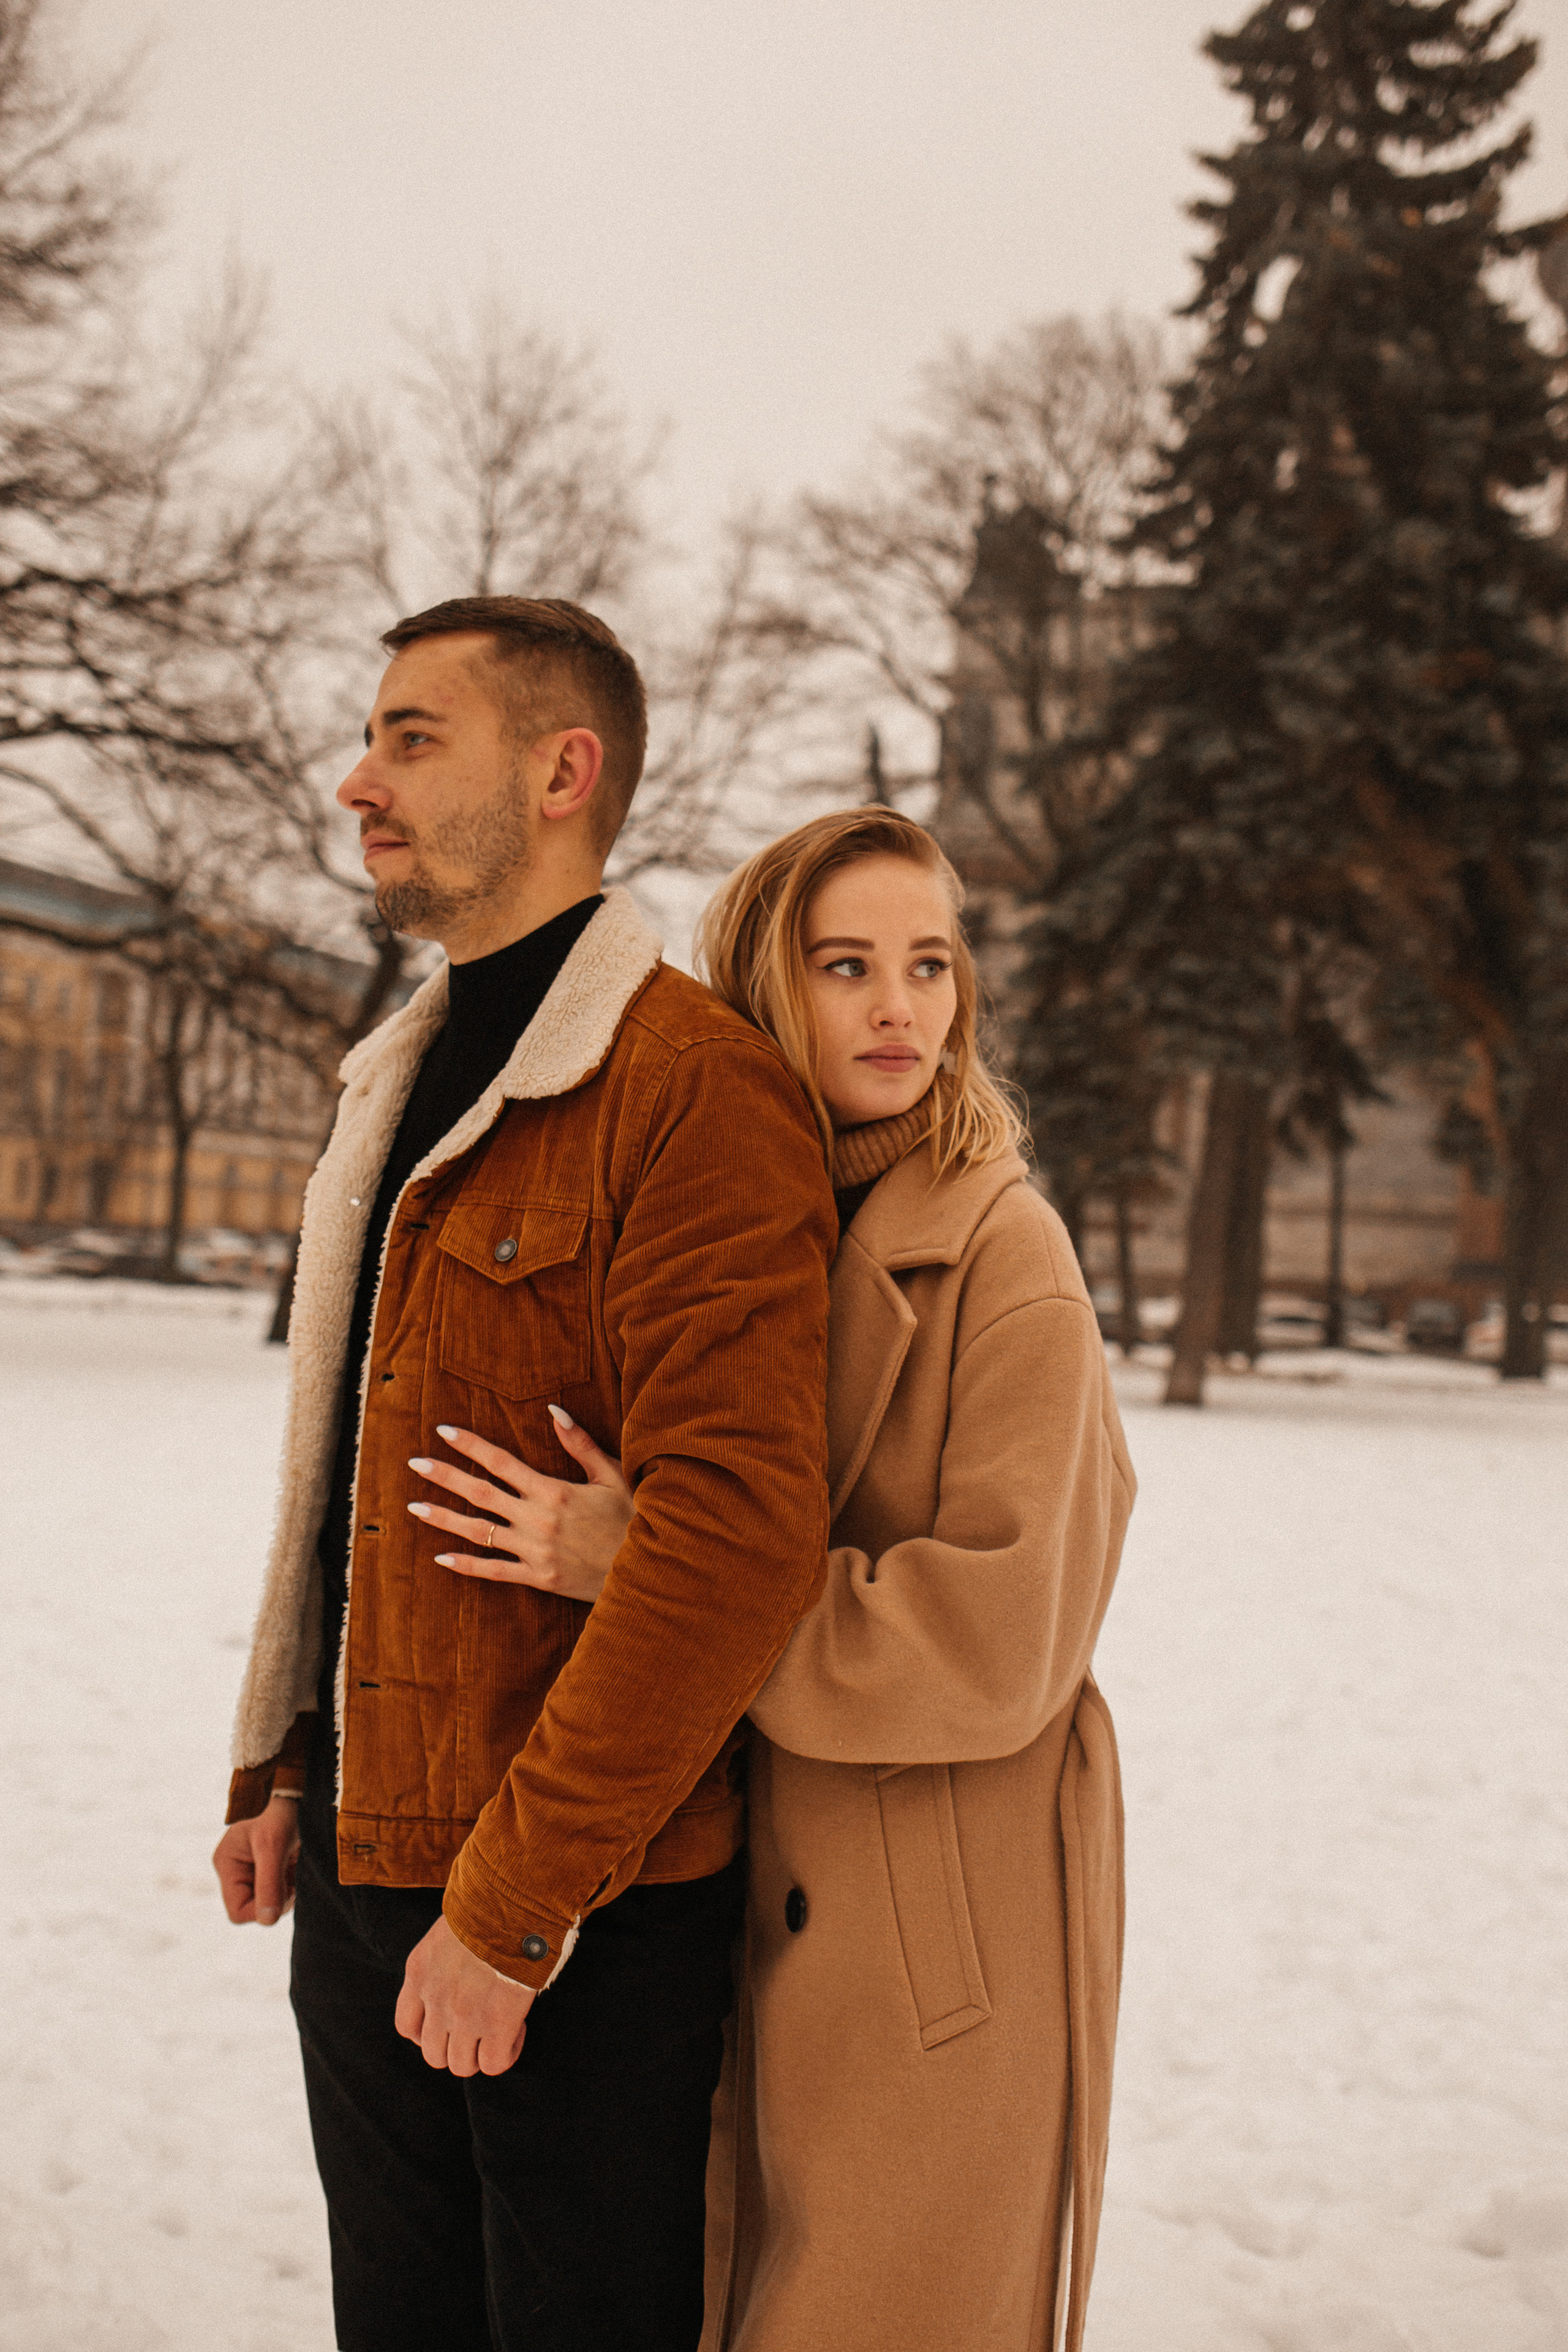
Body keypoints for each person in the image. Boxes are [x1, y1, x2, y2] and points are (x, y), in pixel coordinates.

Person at [412, 807, 1136, 2352]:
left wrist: (652, 1565)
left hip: (925, 1932)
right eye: (847, 965)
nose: (899, 1009)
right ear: (762, 980)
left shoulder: (1005, 1256)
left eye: (930, 966)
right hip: (724, 1902)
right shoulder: (734, 1215)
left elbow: (995, 1641)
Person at [211, 596, 835, 2352]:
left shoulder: (690, 1088)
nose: (358, 780)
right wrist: (288, 1756)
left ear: (564, 773)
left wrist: (514, 1912)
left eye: (414, 737)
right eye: (374, 736)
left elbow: (730, 1542)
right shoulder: (397, 1071)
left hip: (577, 1911)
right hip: (366, 1862)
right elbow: (351, 1467)